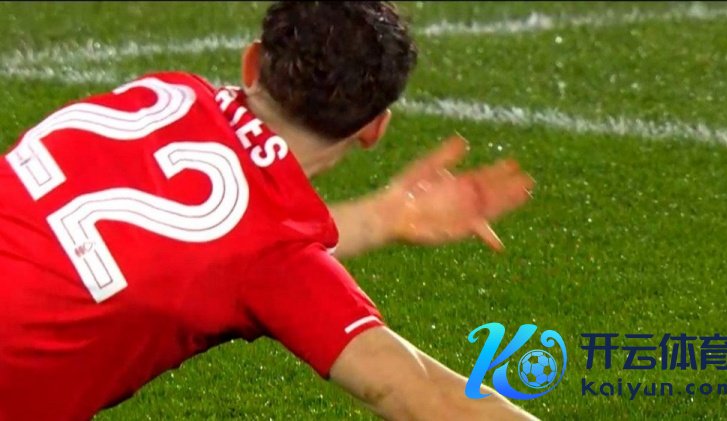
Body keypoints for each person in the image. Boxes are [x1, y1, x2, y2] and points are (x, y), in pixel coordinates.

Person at [0, 2, 537, 420]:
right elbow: (422, 396)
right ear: (375, 128)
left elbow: (204, 242)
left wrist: (382, 217)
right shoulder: (272, 258)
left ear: (252, 62)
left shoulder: (165, 93)